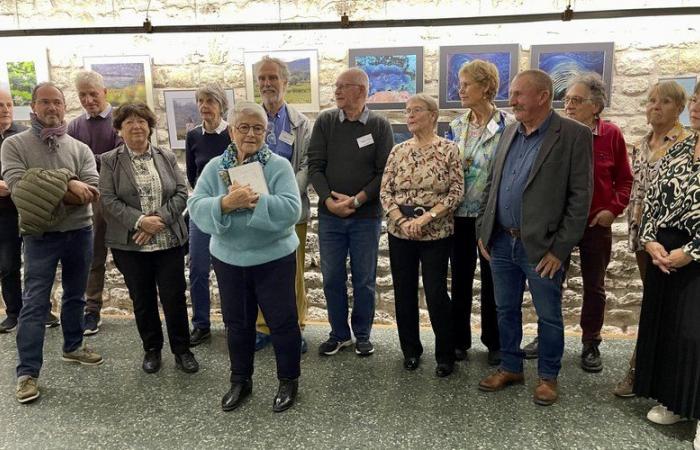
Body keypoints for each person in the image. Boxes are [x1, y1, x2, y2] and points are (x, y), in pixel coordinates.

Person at [475, 70, 593, 406]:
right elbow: (492, 184)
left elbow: (580, 198)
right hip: (500, 242)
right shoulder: (510, 131)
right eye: (512, 94)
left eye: (518, 94)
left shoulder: (573, 135)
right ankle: (511, 366)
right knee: (504, 310)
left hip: (542, 249)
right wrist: (483, 229)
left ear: (542, 96)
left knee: (549, 315)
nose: (511, 101)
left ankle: (548, 377)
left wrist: (560, 248)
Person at [188, 101, 302, 413]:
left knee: (283, 322)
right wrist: (225, 204)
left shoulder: (278, 166)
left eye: (258, 128)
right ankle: (240, 380)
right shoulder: (215, 168)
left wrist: (253, 200)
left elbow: (293, 209)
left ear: (266, 132)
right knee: (236, 323)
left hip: (273, 260)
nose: (251, 134)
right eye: (244, 127)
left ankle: (288, 380)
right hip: (229, 260)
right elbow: (197, 206)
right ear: (231, 131)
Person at [522, 73, 633, 373]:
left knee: (594, 286)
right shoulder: (555, 132)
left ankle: (590, 341)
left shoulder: (611, 135)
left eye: (577, 100)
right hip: (558, 225)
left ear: (596, 106)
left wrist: (613, 208)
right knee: (549, 281)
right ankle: (546, 334)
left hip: (595, 225)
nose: (569, 105)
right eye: (567, 99)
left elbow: (624, 180)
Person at [1, 82, 104, 403]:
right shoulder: (14, 146)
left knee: (75, 295)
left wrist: (54, 186)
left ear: (64, 106)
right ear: (32, 106)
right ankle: (27, 373)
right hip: (39, 236)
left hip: (80, 232)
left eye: (57, 102)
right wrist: (68, 182)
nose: (52, 107)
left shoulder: (80, 148)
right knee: (34, 303)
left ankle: (73, 347)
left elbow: (91, 191)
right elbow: (20, 188)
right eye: (44, 102)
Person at [99, 103, 198, 374]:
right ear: (119, 129)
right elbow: (107, 199)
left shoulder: (165, 155)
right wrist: (141, 221)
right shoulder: (110, 160)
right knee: (142, 299)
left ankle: (182, 350)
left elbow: (181, 192)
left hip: (168, 242)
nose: (136, 126)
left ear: (149, 126)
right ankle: (152, 349)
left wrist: (159, 220)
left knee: (174, 297)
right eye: (129, 122)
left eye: (141, 121)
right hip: (131, 245)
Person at [308, 68, 393, 357]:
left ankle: (363, 335)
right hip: (330, 216)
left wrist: (357, 201)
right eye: (337, 85)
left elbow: (385, 173)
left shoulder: (380, 126)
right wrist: (329, 201)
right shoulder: (326, 121)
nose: (337, 91)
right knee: (331, 277)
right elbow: (315, 166)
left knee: (364, 279)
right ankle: (339, 334)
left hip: (365, 218)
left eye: (344, 86)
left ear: (362, 91)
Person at [614, 80, 691, 397]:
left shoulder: (686, 145)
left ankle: (645, 371)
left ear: (680, 109)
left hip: (670, 237)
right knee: (650, 304)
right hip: (641, 235)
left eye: (665, 102)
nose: (655, 106)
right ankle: (644, 370)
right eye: (651, 100)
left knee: (668, 307)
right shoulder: (641, 144)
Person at [634, 83, 700, 447]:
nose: (698, 106)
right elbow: (650, 199)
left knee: (694, 332)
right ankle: (676, 400)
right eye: (696, 98)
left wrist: (693, 250)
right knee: (669, 329)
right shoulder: (679, 149)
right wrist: (650, 240)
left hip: (696, 254)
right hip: (665, 250)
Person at [380, 94, 463, 377]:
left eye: (417, 110)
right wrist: (402, 220)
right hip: (400, 231)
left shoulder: (450, 149)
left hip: (436, 231)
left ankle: (445, 354)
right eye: (407, 111)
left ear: (433, 115)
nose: (410, 115)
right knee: (404, 293)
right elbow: (385, 192)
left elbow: (456, 192)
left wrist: (428, 217)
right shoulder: (398, 151)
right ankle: (411, 351)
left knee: (436, 292)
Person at [447, 59, 514, 365]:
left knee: (493, 280)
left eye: (465, 85)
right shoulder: (456, 125)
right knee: (460, 279)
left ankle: (495, 342)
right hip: (460, 215)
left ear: (486, 86)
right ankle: (459, 339)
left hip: (493, 216)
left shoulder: (508, 126)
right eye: (459, 84)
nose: (459, 90)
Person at [254, 56, 312, 354]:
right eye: (262, 78)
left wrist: (285, 197)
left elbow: (306, 164)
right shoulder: (250, 120)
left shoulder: (301, 123)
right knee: (263, 271)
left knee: (293, 272)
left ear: (285, 82)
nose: (267, 83)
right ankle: (264, 327)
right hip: (258, 211)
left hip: (292, 211)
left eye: (273, 78)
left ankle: (297, 326)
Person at [67, 70, 123, 335]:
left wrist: (88, 160)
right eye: (83, 95)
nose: (88, 100)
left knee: (130, 258)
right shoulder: (74, 127)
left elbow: (121, 159)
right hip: (89, 201)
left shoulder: (120, 121)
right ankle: (92, 311)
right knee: (94, 258)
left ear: (105, 93)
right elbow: (69, 162)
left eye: (93, 94)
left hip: (120, 199)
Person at [185, 83, 231, 347]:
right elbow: (193, 176)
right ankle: (201, 324)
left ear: (221, 104)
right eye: (200, 101)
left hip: (228, 210)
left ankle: (231, 322)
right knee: (198, 269)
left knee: (227, 269)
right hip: (202, 210)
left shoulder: (231, 134)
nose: (204, 107)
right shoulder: (193, 136)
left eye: (209, 101)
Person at [0, 89, 27, 333]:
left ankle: (40, 309)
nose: (6, 109)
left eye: (9, 104)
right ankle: (13, 312)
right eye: (0, 105)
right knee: (7, 265)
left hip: (27, 209)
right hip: (2, 214)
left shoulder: (24, 135)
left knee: (36, 264)